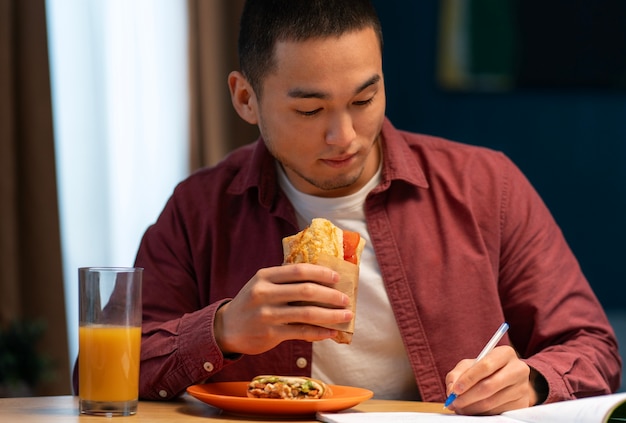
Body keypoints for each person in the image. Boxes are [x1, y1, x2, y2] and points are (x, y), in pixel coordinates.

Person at [134, 0, 621, 415]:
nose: (343, 136)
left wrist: (532, 381)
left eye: (365, 99)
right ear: (245, 98)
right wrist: (224, 328)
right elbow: (109, 371)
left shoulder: (486, 186)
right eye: (310, 110)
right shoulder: (199, 208)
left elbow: (593, 347)